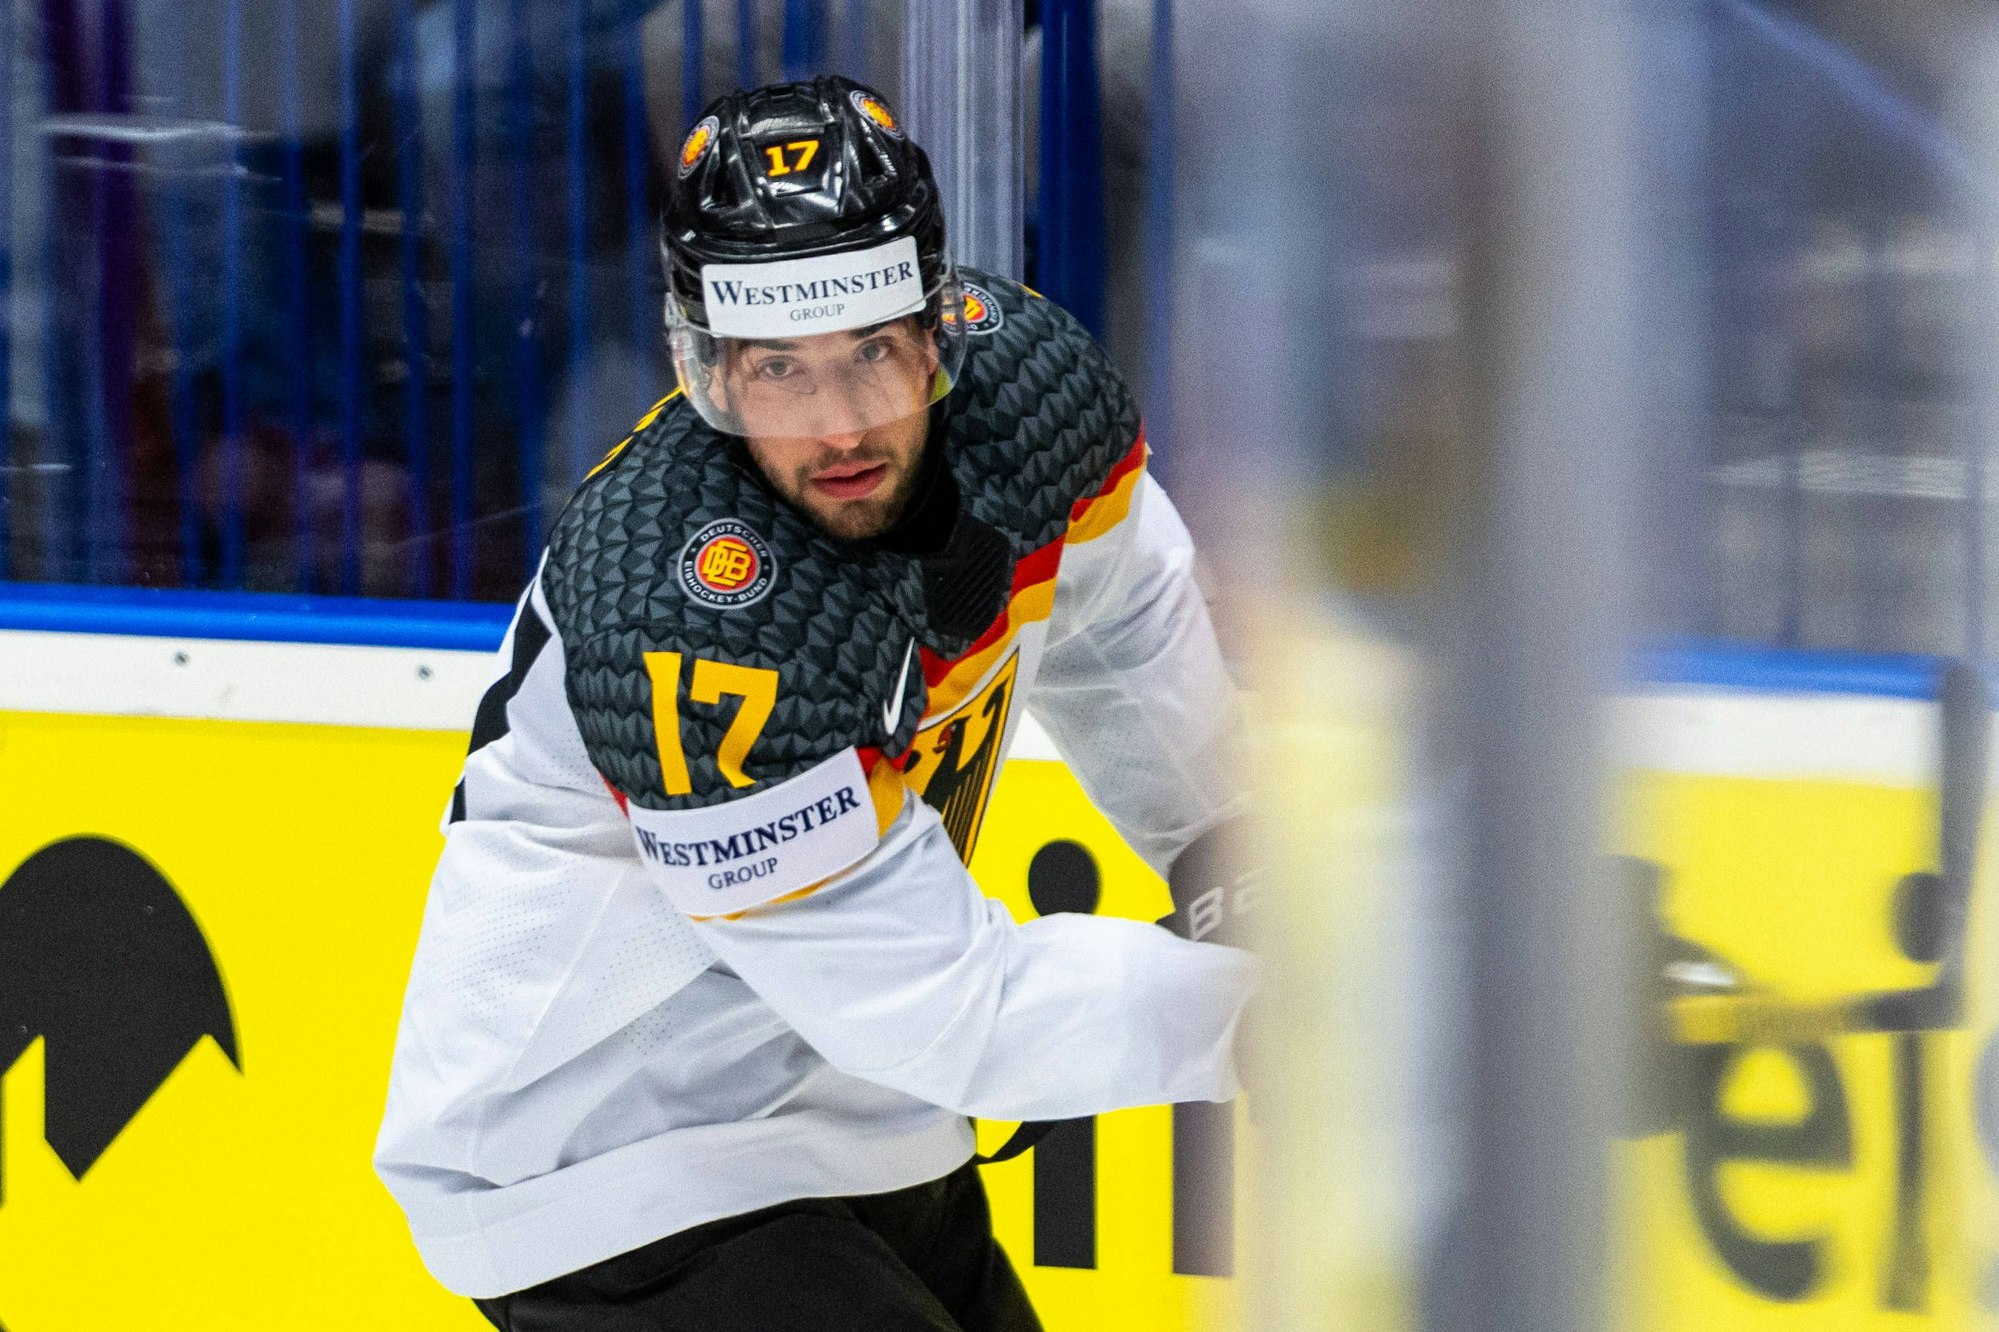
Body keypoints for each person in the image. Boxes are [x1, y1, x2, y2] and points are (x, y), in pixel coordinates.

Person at [374, 74, 1258, 1332]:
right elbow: (955, 1010)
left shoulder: (1028, 399)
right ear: (704, 366)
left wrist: (1237, 865)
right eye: (775, 368)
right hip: (609, 1168)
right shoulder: (692, 619)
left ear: (938, 325)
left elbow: (1117, 631)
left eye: (870, 353)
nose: (840, 424)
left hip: (866, 1119)